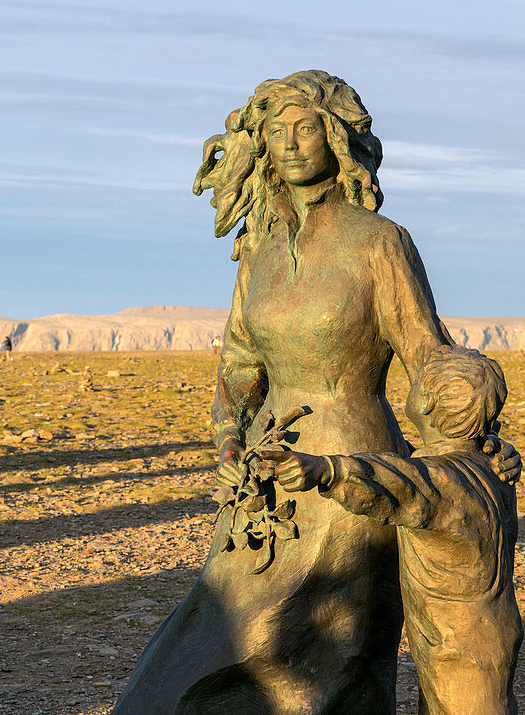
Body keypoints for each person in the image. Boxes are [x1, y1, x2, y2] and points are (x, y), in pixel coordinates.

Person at [114, 71, 458, 714]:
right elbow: (239, 362)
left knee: (326, 645)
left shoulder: (381, 243)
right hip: (265, 475)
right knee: (213, 633)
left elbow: (429, 360)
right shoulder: (259, 254)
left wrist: (470, 444)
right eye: (277, 132)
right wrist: (227, 437)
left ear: (336, 139)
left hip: (352, 466)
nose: (293, 144)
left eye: (307, 128)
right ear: (261, 146)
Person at [258, 346, 521, 715]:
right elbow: (413, 468)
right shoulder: (487, 465)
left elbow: (396, 481)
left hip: (460, 647)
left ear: (426, 403)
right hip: (479, 631)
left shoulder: (440, 481)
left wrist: (325, 469)